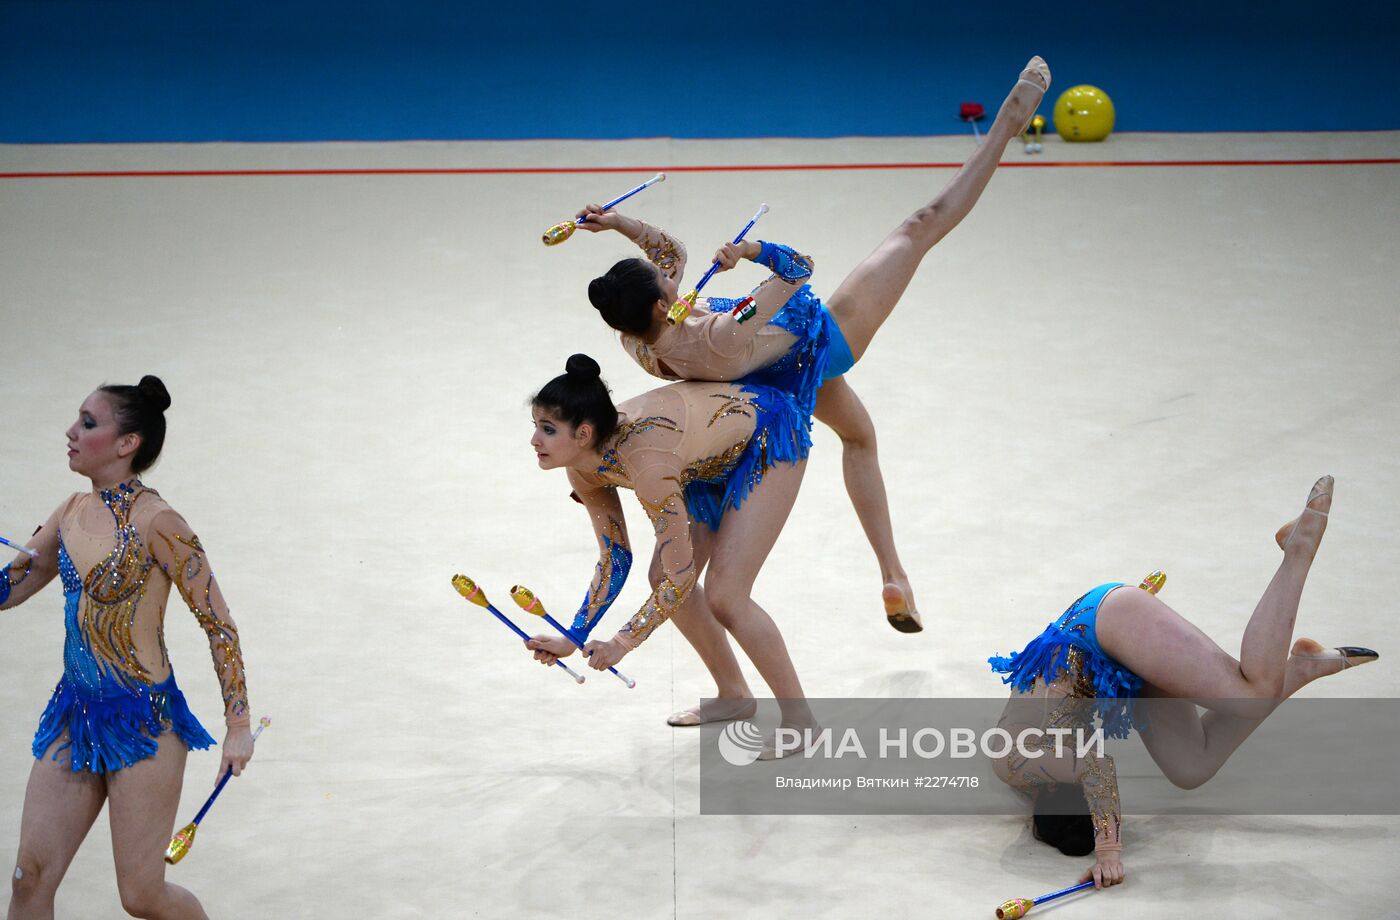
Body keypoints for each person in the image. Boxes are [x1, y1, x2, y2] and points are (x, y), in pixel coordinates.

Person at [573, 55, 1053, 634]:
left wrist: (620, 223)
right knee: (919, 227)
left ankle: (892, 576)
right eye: (665, 284)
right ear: (659, 302)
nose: (673, 276)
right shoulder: (716, 331)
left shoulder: (641, 339)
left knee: (858, 434)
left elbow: (668, 255)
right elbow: (797, 269)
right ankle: (1005, 126)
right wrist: (752, 254)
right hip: (818, 346)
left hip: (757, 383)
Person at [987, 476, 1378, 890]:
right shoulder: (1038, 779)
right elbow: (1085, 773)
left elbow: (1097, 769)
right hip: (1122, 667)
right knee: (1191, 769)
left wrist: (1109, 851)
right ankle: (1300, 667)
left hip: (1103, 624)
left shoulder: (1011, 760)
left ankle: (1295, 549)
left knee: (1252, 693)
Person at [1, 376, 253, 920]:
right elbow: (11, 588)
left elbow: (220, 626)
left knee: (141, 896)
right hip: (74, 716)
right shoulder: (69, 511)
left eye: (88, 423)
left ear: (126, 443)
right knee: (29, 880)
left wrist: (238, 725)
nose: (71, 432)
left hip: (146, 723)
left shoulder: (159, 523)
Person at [524, 354, 818, 744]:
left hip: (765, 436)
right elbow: (616, 557)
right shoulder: (581, 465)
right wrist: (573, 636)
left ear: (582, 435)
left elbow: (683, 576)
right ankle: (734, 694)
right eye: (536, 427)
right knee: (660, 575)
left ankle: (802, 722)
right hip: (703, 459)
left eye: (547, 429)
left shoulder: (647, 467)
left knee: (726, 595)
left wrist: (621, 642)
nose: (534, 440)